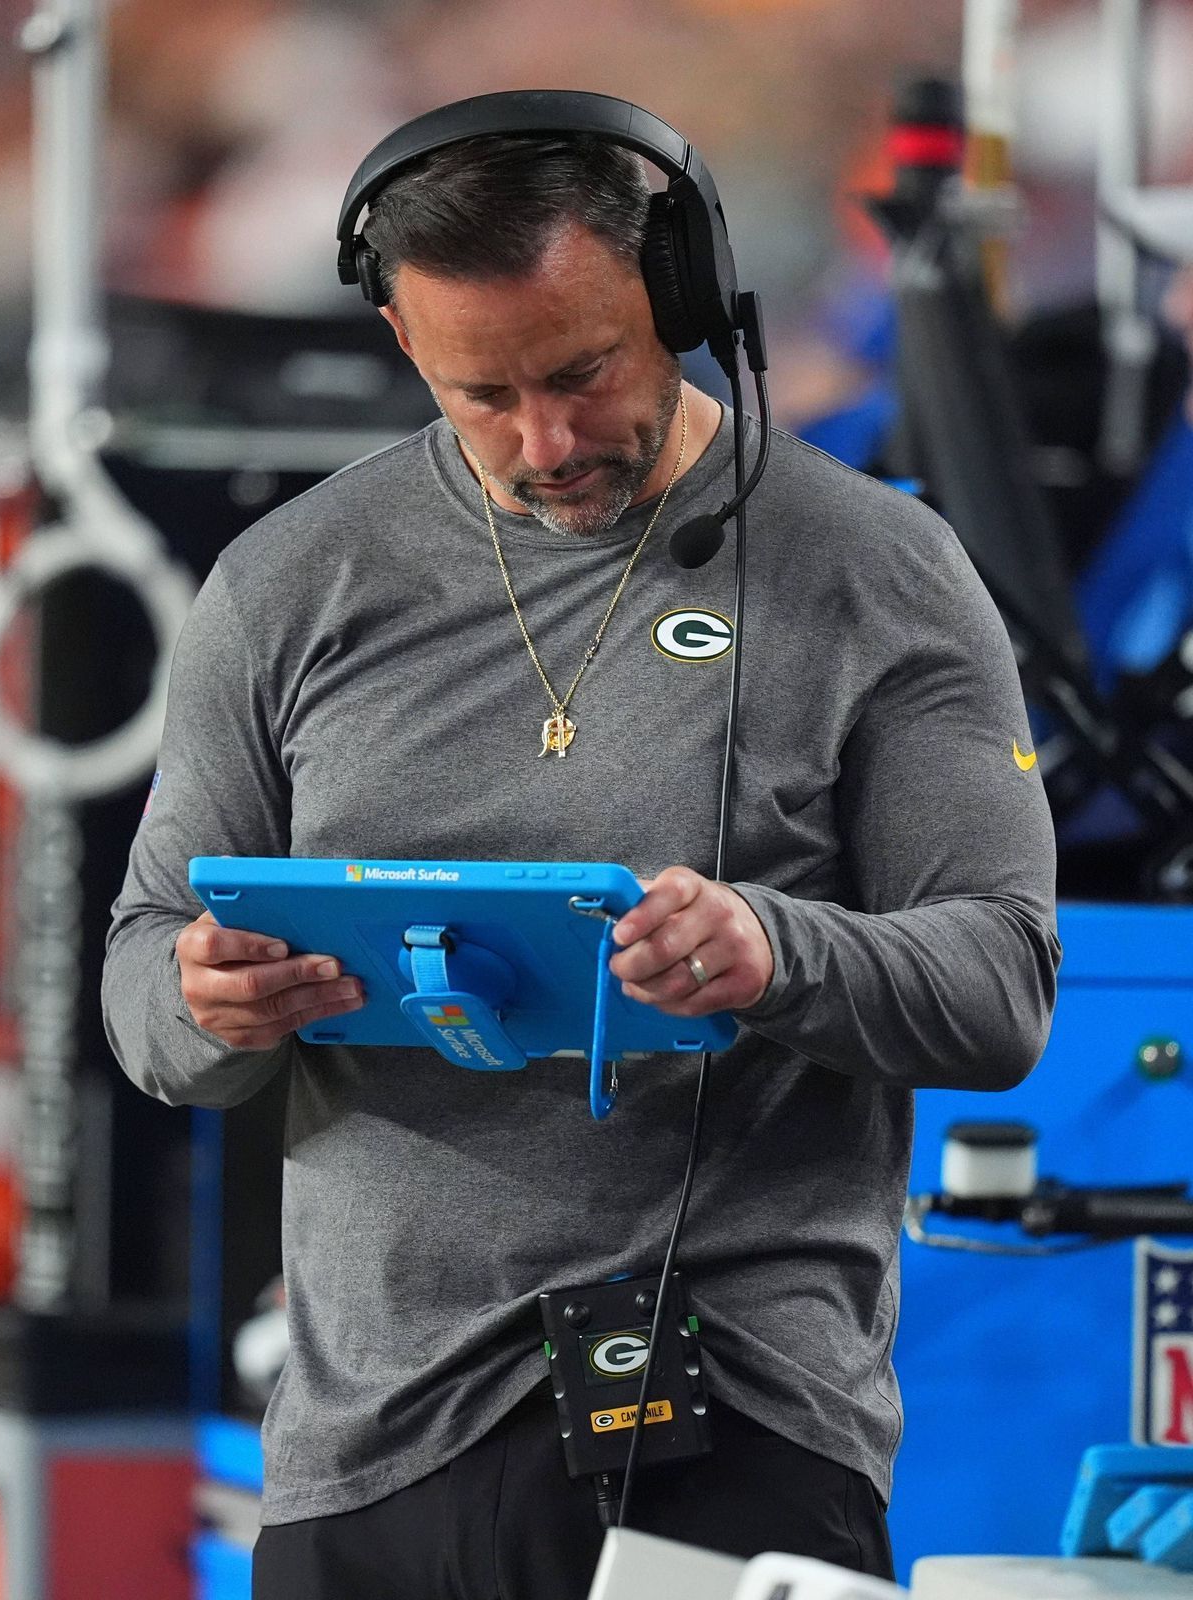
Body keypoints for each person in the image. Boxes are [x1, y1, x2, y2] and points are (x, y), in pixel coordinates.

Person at [102, 103, 1061, 1600]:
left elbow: (1000, 982)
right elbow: (143, 985)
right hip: (367, 1446)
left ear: (679, 297)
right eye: (481, 393)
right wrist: (203, 1002)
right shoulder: (286, 587)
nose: (544, 444)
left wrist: (775, 951)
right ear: (402, 343)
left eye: (583, 371)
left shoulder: (876, 568)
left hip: (733, 1417)